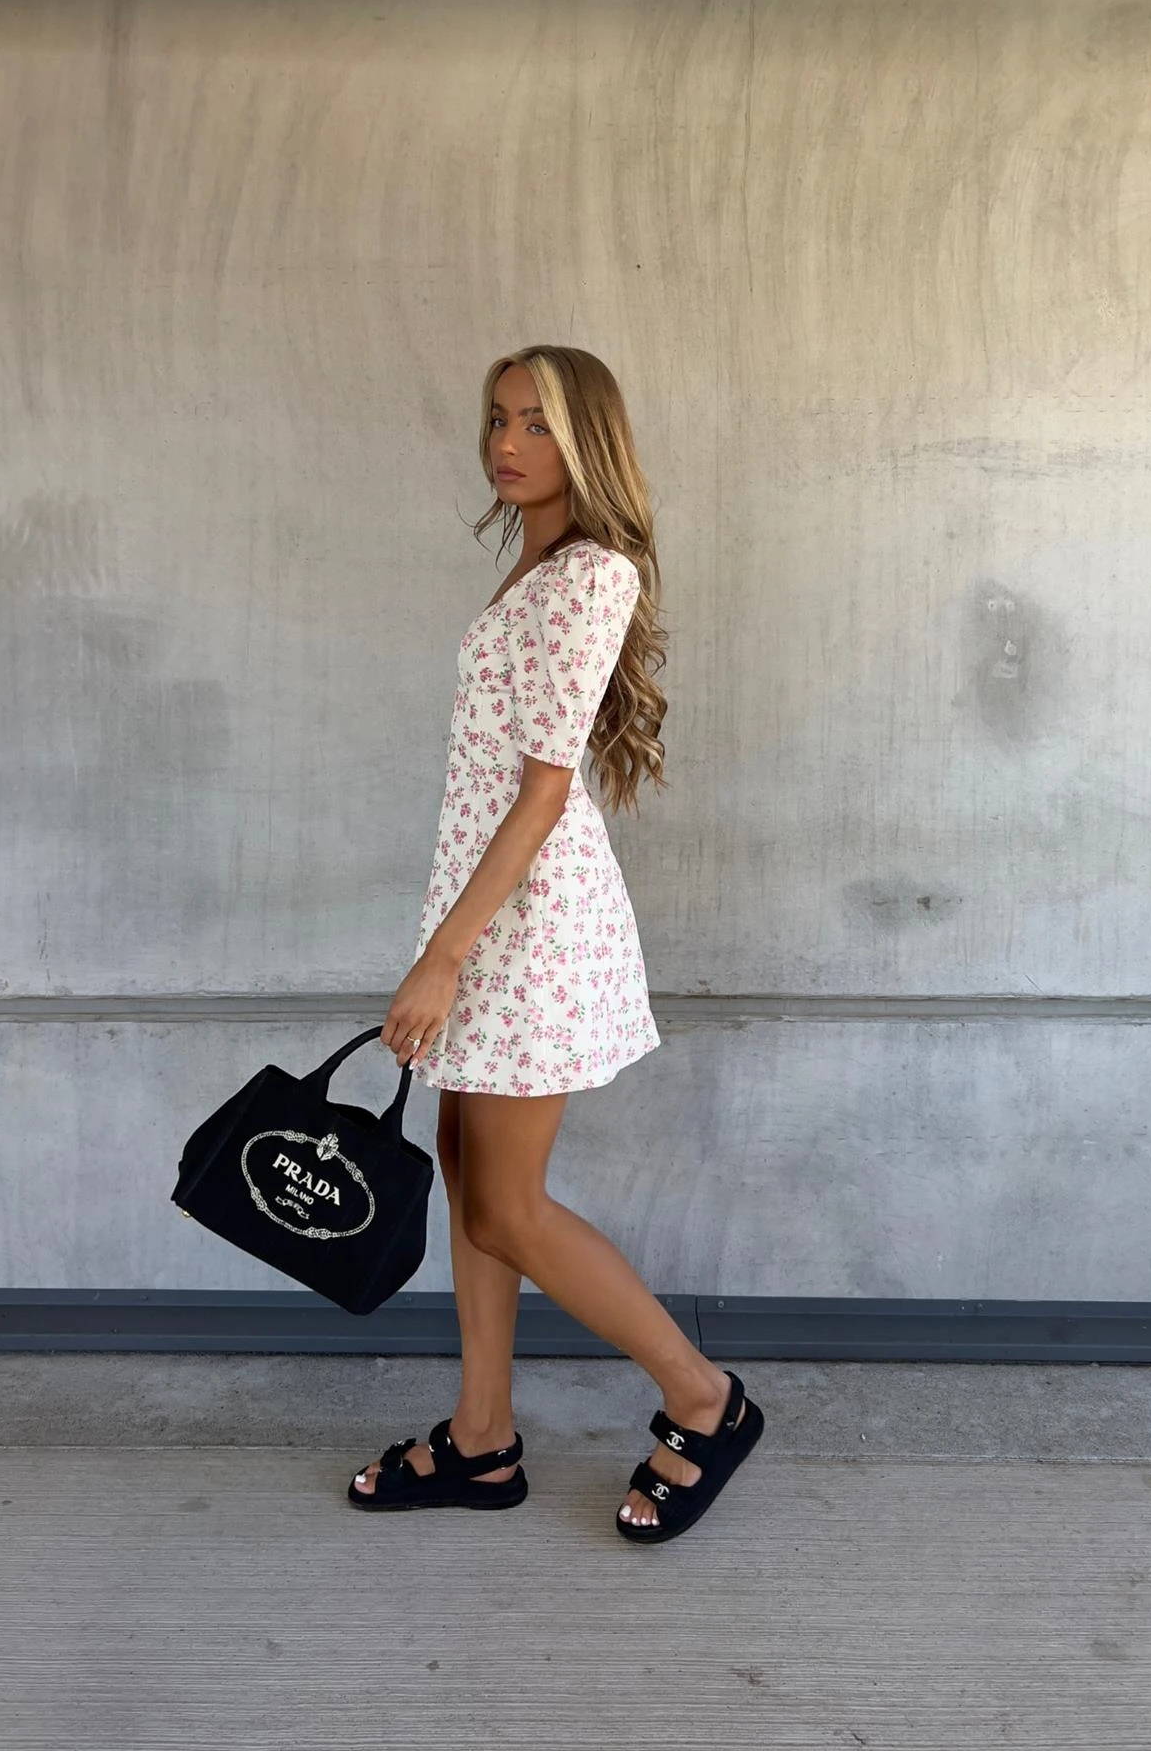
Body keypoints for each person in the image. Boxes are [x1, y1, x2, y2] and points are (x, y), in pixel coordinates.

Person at [347, 345, 763, 1542]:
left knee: (507, 1205)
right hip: (489, 913)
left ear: (587, 441)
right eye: (497, 419)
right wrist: (450, 940)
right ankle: (482, 1440)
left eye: (536, 422)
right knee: (466, 1169)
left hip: (527, 927)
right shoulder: (537, 566)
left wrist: (446, 955)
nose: (506, 442)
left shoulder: (591, 574)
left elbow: (542, 790)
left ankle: (704, 1398)